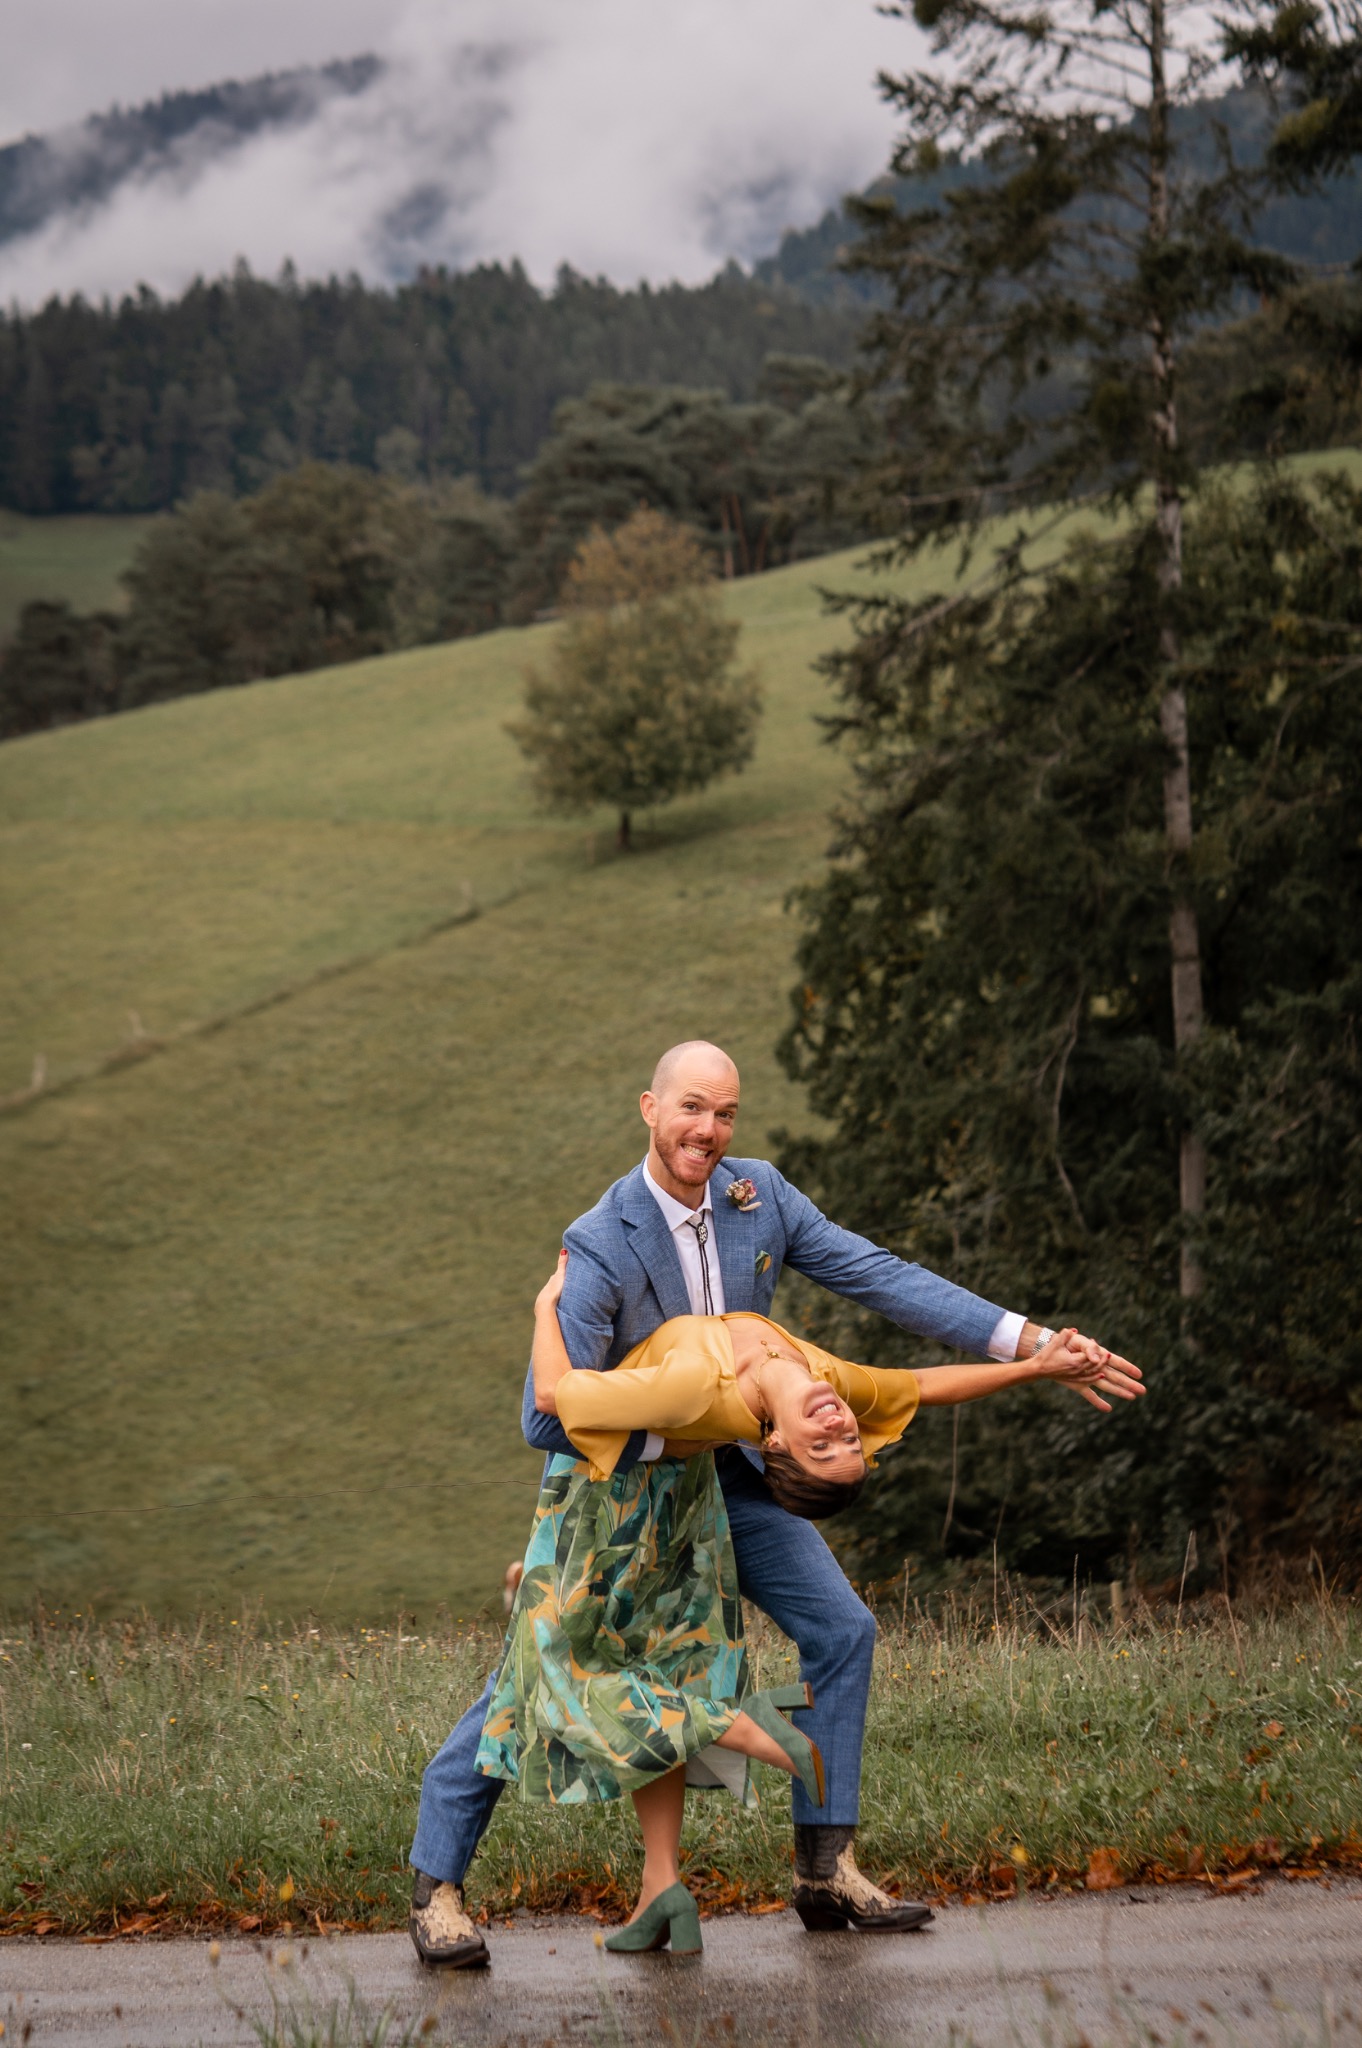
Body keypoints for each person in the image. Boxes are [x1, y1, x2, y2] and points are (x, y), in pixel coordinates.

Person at [409, 1040, 1135, 1969]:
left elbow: (879, 1276)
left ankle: (825, 1869)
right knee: (538, 1671)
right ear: (650, 1109)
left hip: (746, 1475)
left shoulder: (760, 1197)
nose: (707, 1133)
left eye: (725, 1115)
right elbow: (541, 1420)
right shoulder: (600, 1241)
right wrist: (692, 1430)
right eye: (692, 1111)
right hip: (625, 1491)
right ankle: (438, 1887)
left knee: (843, 1630)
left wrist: (1029, 1342)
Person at [468, 1258, 1142, 1954]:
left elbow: (552, 1398)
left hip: (602, 1513)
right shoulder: (818, 1376)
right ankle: (661, 1886)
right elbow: (920, 1386)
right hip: (674, 1507)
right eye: (846, 1439)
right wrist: (1036, 1367)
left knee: (555, 1674)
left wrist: (545, 1305)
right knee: (660, 1670)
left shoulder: (697, 1391)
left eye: (825, 1445)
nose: (839, 1425)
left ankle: (738, 1722)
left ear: (774, 1445)